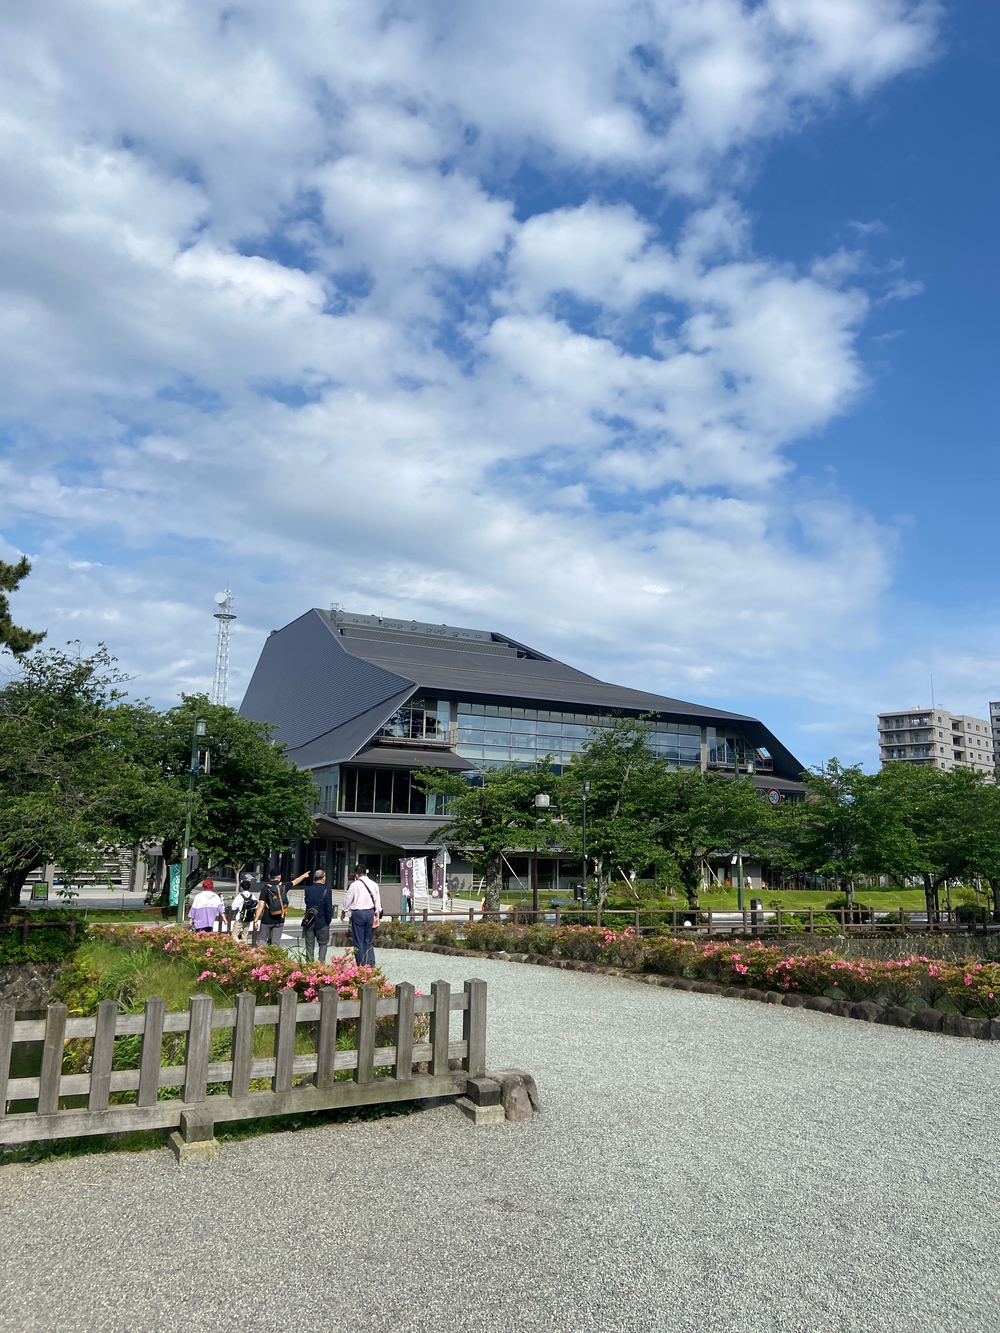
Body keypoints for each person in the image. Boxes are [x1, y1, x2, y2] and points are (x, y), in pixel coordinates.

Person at [254, 869, 308, 946]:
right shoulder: (284, 886)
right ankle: (274, 953)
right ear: (279, 877)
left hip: (267, 919)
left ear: (270, 877)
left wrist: (256, 920)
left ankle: (265, 952)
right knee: (275, 942)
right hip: (280, 918)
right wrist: (304, 876)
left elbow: (261, 905)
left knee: (261, 939)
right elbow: (295, 881)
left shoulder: (266, 888)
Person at [341, 865, 381, 966]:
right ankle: (370, 963)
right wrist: (377, 915)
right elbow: (377, 901)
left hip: (358, 913)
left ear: (356, 875)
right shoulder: (374, 884)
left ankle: (361, 964)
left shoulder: (355, 885)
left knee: (358, 940)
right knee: (367, 940)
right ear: (366, 873)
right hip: (370, 912)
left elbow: (348, 899)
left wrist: (344, 911)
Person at [301, 869, 334, 963]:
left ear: (314, 878)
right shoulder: (327, 890)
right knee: (323, 943)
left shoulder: (308, 890)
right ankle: (321, 963)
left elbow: (307, 903)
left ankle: (310, 964)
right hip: (322, 921)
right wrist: (328, 920)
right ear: (323, 878)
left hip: (309, 920)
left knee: (309, 944)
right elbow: (328, 908)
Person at [231, 874, 258, 942]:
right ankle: (244, 946)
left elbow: (233, 907)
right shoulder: (252, 896)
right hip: (248, 918)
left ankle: (239, 944)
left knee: (234, 935)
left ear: (242, 888)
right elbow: (256, 906)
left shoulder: (240, 896)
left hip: (240, 918)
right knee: (245, 935)